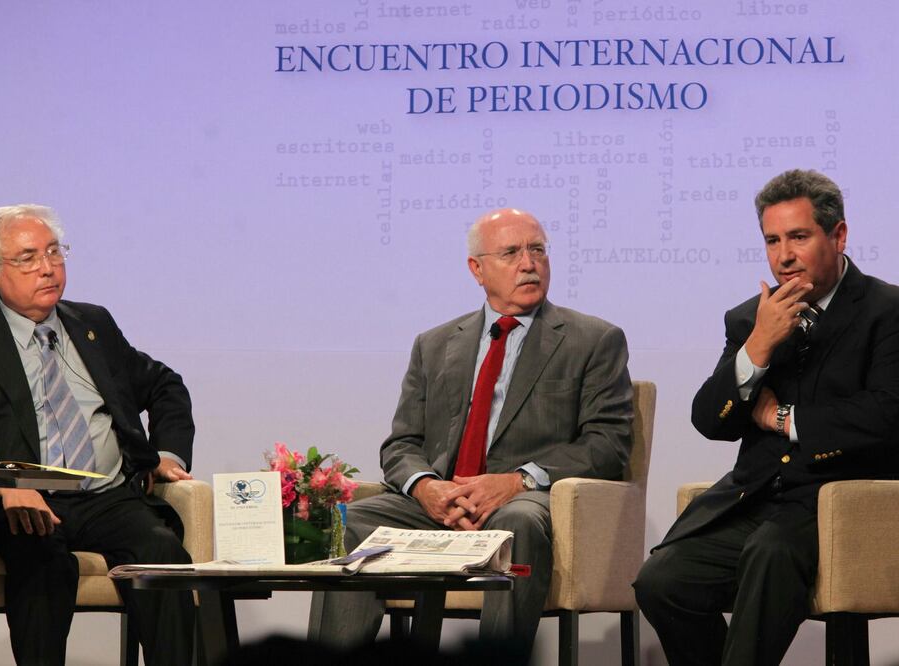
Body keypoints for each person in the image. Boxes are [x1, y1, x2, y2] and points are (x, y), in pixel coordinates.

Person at [310, 207, 633, 654]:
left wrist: (516, 481)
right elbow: (402, 443)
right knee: (353, 521)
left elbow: (608, 445)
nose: (529, 263)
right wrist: (426, 488)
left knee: (515, 523)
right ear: (477, 269)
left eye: (537, 249)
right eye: (511, 252)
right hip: (438, 504)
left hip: (522, 502)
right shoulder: (436, 344)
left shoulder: (592, 339)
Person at [634, 169, 899, 665]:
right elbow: (710, 421)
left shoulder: (886, 310)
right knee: (662, 581)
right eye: (772, 240)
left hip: (839, 500)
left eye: (798, 237)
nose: (783, 255)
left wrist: (784, 419)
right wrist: (757, 346)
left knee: (768, 554)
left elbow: (886, 414)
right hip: (754, 498)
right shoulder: (750, 317)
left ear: (838, 235)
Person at [0, 205, 196, 666]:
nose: (47, 268)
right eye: (27, 258)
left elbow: (164, 384)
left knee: (161, 552)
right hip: (29, 503)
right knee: (44, 564)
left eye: (53, 252)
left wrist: (164, 453)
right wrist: (8, 482)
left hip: (109, 496)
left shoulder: (93, 325)